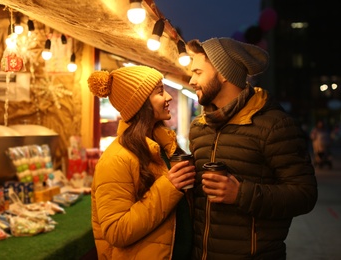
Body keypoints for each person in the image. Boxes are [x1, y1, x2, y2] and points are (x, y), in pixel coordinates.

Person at [186, 37, 318, 259]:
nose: (191, 80)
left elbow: (305, 195)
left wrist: (240, 194)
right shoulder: (199, 127)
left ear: (224, 73)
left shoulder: (273, 125)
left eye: (198, 72)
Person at [87, 65, 196, 259]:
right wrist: (168, 187)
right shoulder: (116, 158)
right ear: (140, 103)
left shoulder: (162, 146)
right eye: (160, 92)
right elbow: (115, 231)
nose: (169, 97)